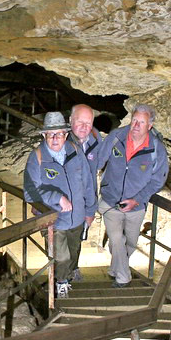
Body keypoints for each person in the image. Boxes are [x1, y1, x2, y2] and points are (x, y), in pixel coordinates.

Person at [23, 111, 96, 299]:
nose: (55, 138)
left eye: (59, 134)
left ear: (66, 134)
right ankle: (61, 283)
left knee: (74, 250)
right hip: (53, 218)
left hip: (77, 216)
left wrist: (90, 211)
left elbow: (88, 183)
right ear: (44, 136)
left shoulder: (76, 151)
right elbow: (30, 191)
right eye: (50, 134)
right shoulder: (37, 157)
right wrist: (57, 197)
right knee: (61, 256)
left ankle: (69, 273)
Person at [96, 104, 168, 288]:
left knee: (130, 244)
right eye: (134, 120)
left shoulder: (156, 148)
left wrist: (137, 199)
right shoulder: (116, 137)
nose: (135, 125)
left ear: (149, 126)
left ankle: (115, 268)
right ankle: (123, 277)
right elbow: (97, 162)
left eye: (141, 122)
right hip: (111, 200)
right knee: (116, 240)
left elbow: (158, 179)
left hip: (136, 205)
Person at [67, 104, 103, 282]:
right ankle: (60, 277)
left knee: (78, 237)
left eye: (87, 123)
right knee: (60, 240)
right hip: (64, 200)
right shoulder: (60, 140)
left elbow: (97, 169)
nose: (83, 127)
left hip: (84, 199)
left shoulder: (96, 140)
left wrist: (90, 209)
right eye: (79, 122)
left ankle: (72, 268)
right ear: (70, 121)